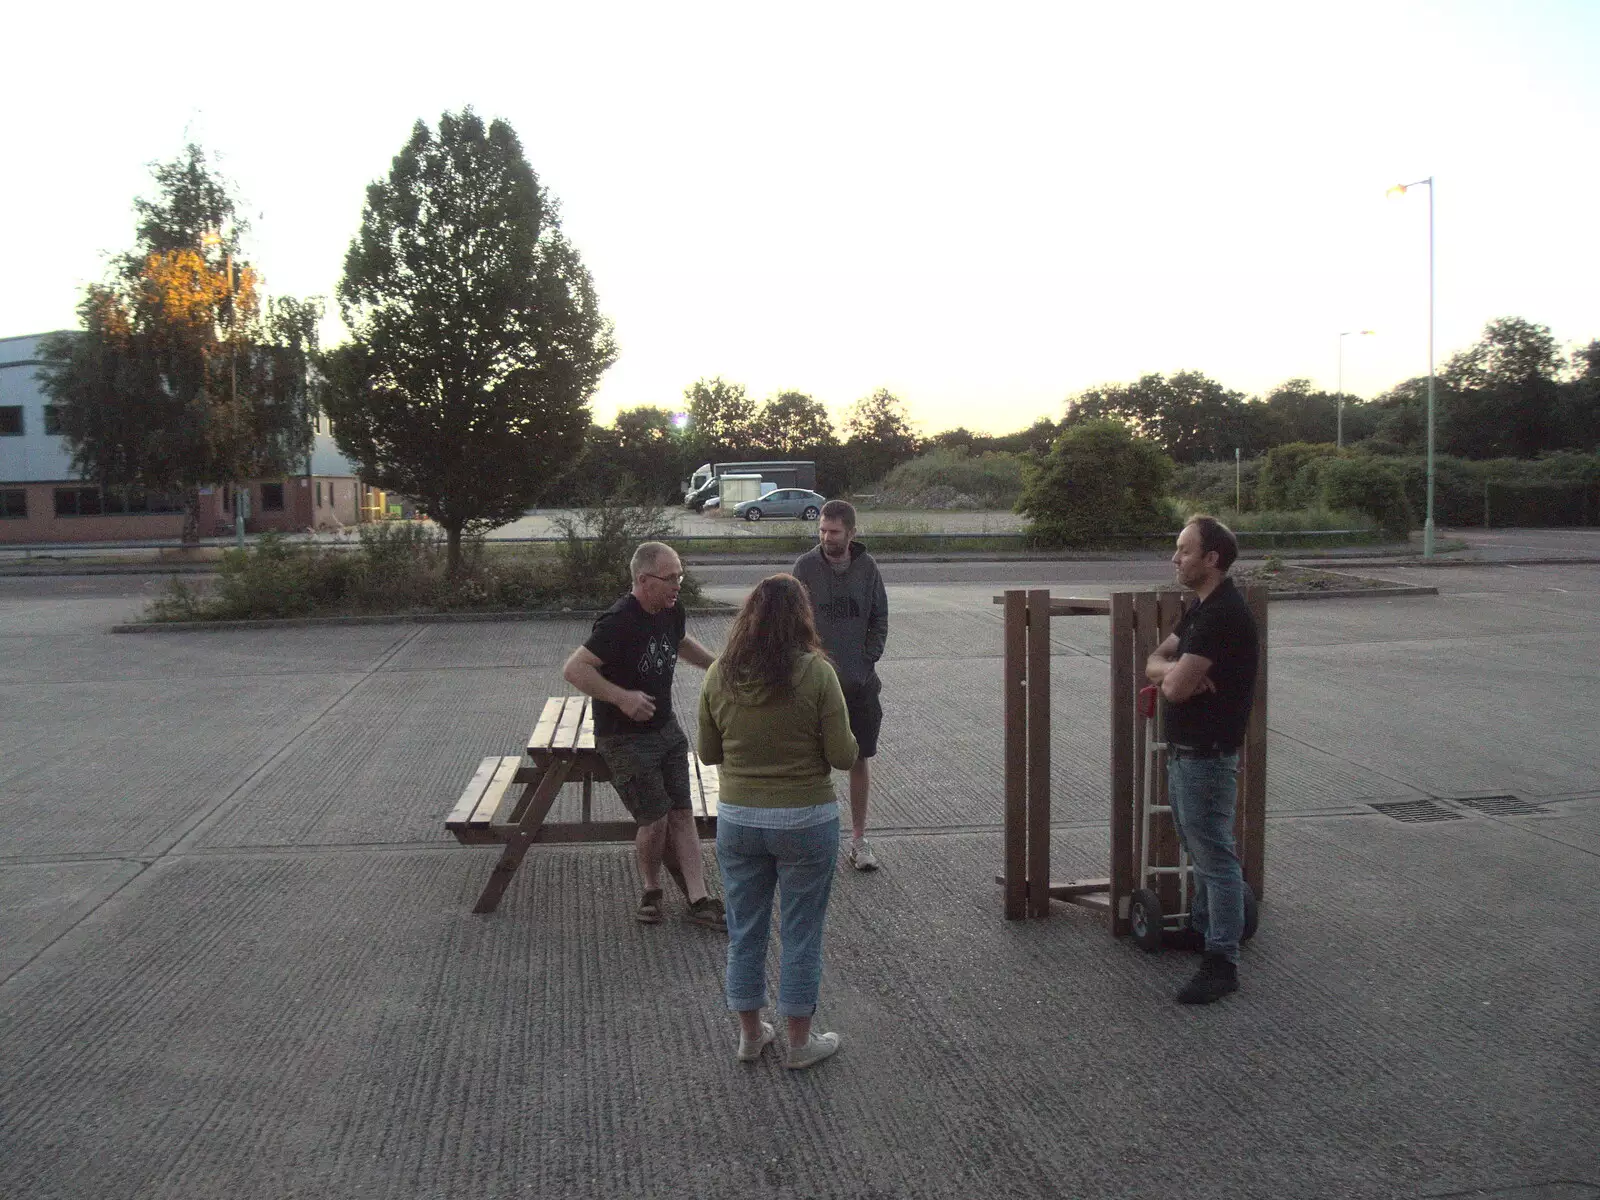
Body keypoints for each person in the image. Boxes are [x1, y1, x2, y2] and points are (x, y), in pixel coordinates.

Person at [698, 574, 857, 1069]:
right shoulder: (817, 673)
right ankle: (799, 1043)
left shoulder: (719, 673)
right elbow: (843, 757)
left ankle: (750, 1036)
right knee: (801, 931)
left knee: (745, 931)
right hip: (806, 819)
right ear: (801, 618)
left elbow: (707, 752)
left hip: (740, 820)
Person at [562, 541, 726, 930]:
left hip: (666, 728)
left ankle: (699, 897)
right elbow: (574, 669)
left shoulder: (671, 610)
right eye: (670, 578)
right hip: (623, 737)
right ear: (643, 580)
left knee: (683, 814)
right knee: (654, 821)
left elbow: (680, 642)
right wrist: (621, 698)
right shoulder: (619, 620)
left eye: (680, 577)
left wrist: (717, 667)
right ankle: (651, 889)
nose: (677, 586)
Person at [1145, 515, 1260, 1004]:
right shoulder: (1198, 610)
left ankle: (1222, 961)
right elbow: (1156, 662)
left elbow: (1169, 685)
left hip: (1208, 756)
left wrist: (1174, 678)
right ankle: (1201, 930)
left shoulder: (1221, 615)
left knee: (1215, 858)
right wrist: (1175, 674)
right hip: (1187, 752)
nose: (1175, 558)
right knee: (1200, 849)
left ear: (1212, 560)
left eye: (1185, 551)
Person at [792, 499, 888, 871]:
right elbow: (793, 620)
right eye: (821, 530)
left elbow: (879, 617)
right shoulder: (805, 566)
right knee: (809, 759)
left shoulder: (867, 567)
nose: (826, 537)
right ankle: (806, 840)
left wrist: (866, 661)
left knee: (859, 757)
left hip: (859, 684)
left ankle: (859, 841)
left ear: (851, 533)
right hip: (814, 682)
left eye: (833, 532)